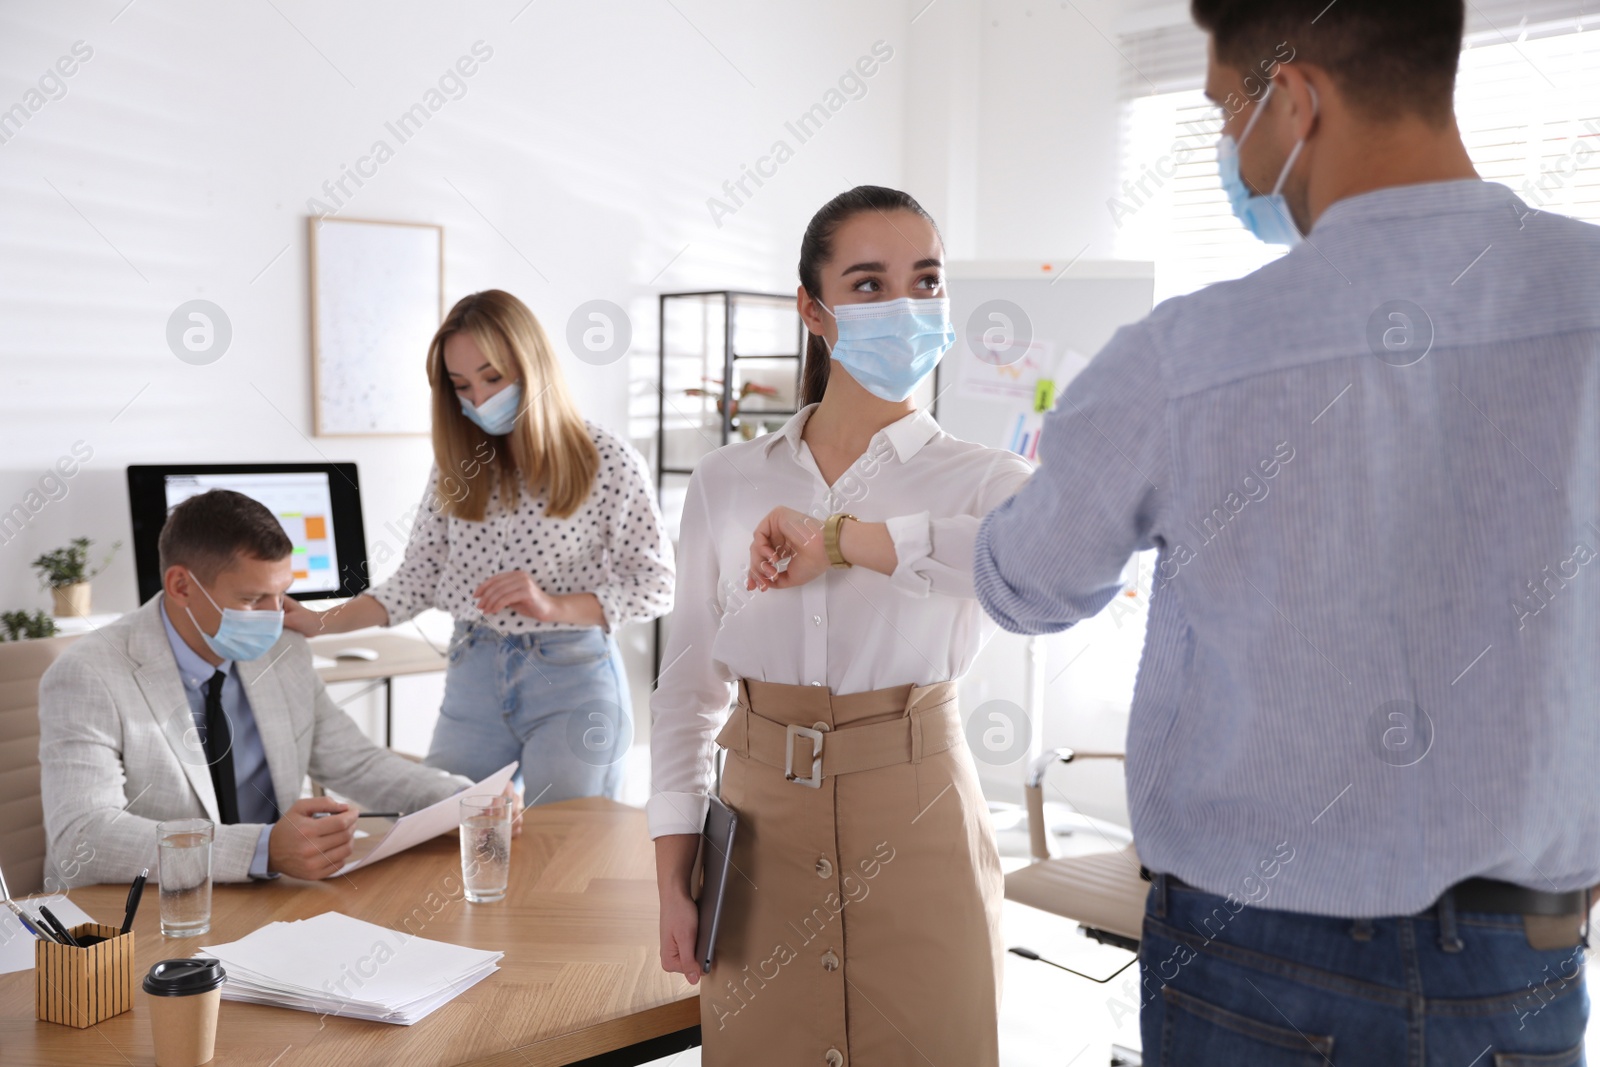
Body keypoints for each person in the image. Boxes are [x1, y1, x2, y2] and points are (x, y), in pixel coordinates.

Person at [973, 1, 1600, 1063]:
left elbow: (1027, 584)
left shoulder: (1191, 351)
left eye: (1228, 109)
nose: (1231, 147)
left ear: (1295, 98)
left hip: (1251, 962)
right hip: (1522, 957)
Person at [649, 186, 1034, 1066]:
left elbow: (1042, 572)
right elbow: (687, 690)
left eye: (926, 281)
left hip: (922, 820)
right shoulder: (726, 478)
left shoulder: (986, 478)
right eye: (869, 284)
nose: (905, 306)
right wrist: (672, 874)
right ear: (812, 309)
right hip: (757, 835)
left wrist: (845, 541)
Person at [284, 289, 674, 803]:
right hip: (474, 673)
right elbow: (416, 580)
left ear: (531, 366)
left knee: (567, 856)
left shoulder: (604, 459)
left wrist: (550, 605)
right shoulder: (458, 464)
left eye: (493, 378)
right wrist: (320, 622)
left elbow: (656, 585)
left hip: (571, 679)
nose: (479, 400)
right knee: (438, 831)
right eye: (461, 385)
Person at [39, 489, 482, 886]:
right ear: (181, 586)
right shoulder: (89, 674)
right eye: (252, 600)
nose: (276, 616)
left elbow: (355, 763)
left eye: (282, 594)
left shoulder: (285, 650)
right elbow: (83, 837)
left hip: (275, 898)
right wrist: (262, 848)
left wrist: (461, 800)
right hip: (147, 916)